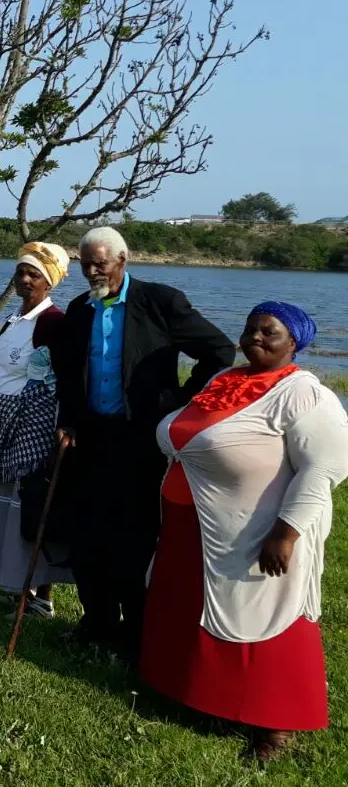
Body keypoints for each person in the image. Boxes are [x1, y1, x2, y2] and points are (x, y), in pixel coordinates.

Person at [142, 303, 348, 764]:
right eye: (250, 328)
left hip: (256, 530)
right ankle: (204, 699)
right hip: (193, 525)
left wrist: (287, 532)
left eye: (268, 331)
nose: (255, 337)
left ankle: (274, 726)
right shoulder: (225, 381)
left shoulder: (305, 394)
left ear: (293, 342)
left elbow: (325, 467)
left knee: (265, 621)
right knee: (194, 612)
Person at [54, 226, 235, 657]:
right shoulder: (80, 309)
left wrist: (178, 404)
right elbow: (67, 375)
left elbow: (219, 350)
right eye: (86, 264)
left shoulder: (161, 302)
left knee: (134, 537)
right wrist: (69, 421)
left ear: (122, 260)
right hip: (91, 438)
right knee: (88, 533)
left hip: (140, 440)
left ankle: (137, 632)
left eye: (101, 263)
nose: (94, 271)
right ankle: (96, 622)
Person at [0, 243, 71, 613]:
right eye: (21, 272)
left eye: (34, 274)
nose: (24, 279)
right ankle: (17, 584)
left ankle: (38, 594)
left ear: (49, 282)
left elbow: (61, 381)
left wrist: (60, 428)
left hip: (34, 430)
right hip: (6, 425)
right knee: (11, 507)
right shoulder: (15, 320)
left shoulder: (53, 323)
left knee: (32, 510)